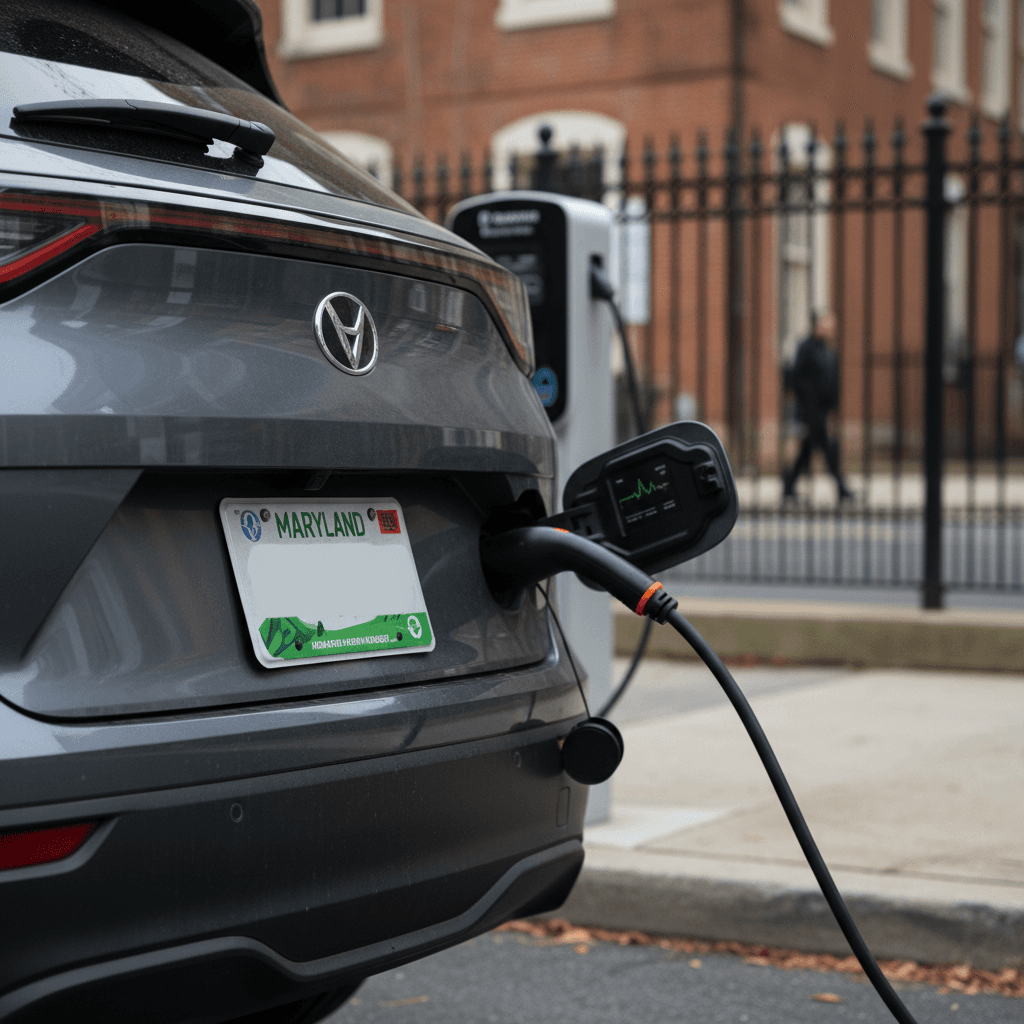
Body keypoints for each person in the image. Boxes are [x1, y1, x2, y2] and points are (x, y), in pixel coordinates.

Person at [782, 313, 853, 501]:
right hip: (810, 410)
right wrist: (807, 402)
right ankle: (841, 487)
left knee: (807, 451)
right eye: (827, 325)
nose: (831, 329)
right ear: (817, 326)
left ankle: (789, 486)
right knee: (827, 450)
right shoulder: (807, 347)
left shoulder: (827, 349)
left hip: (822, 409)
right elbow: (796, 377)